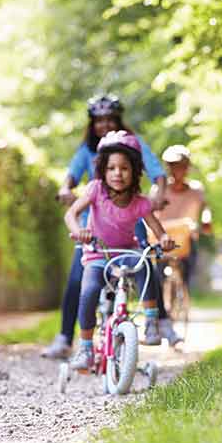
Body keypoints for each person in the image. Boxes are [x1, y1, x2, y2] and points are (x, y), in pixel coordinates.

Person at [42, 95, 180, 358]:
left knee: (145, 262)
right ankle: (65, 338)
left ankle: (159, 321)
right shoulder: (88, 154)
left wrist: (159, 195)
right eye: (99, 120)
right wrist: (64, 190)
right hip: (92, 231)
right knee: (78, 281)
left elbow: (156, 172)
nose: (104, 124)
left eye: (110, 119)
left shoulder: (133, 146)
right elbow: (70, 177)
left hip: (129, 222)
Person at [64, 130, 176, 370]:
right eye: (112, 168)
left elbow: (158, 229)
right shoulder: (95, 190)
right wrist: (78, 231)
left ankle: (151, 322)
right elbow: (71, 213)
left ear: (135, 171)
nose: (117, 173)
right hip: (98, 253)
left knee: (146, 266)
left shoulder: (140, 202)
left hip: (127, 252)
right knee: (89, 292)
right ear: (103, 170)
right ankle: (85, 349)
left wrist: (165, 239)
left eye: (124, 168)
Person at [152, 144, 211, 290]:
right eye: (173, 165)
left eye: (182, 165)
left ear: (187, 167)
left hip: (186, 238)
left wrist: (206, 221)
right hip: (163, 237)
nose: (178, 169)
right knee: (157, 277)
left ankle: (183, 294)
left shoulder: (196, 190)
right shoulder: (159, 190)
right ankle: (162, 308)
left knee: (187, 274)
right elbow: (149, 213)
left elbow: (205, 208)